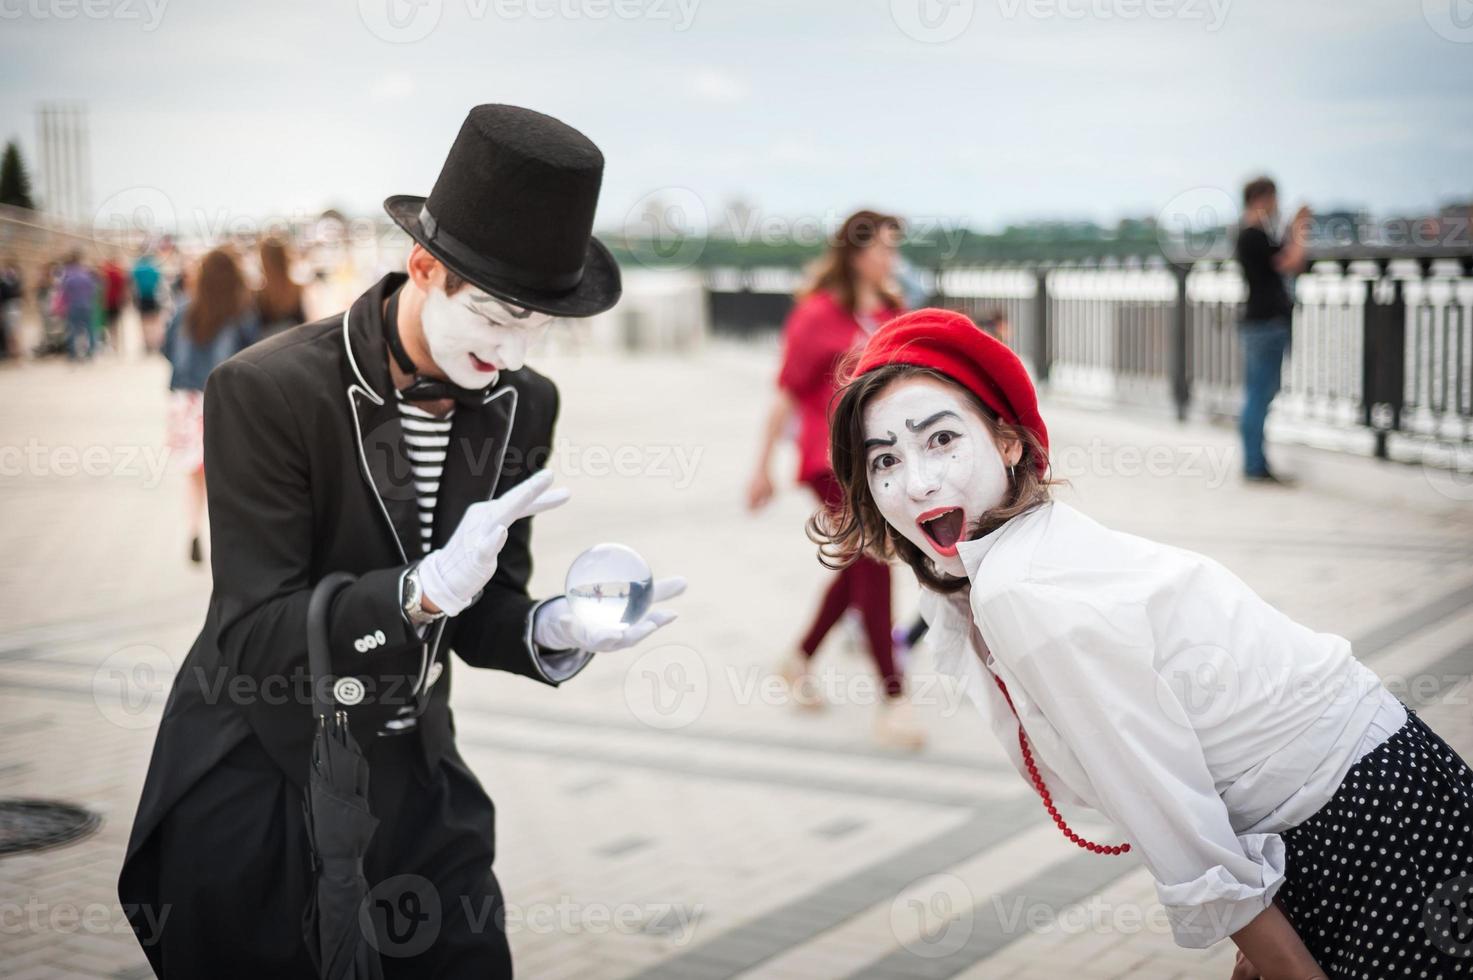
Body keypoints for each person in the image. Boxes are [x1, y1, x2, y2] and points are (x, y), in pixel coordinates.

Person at [118, 105, 686, 979]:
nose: (513, 351)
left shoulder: (522, 403)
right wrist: (416, 593)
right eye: (496, 316)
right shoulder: (266, 391)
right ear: (423, 268)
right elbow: (255, 631)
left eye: (538, 325)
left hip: (416, 772)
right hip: (262, 764)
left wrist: (551, 628)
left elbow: (484, 605)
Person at [815, 306, 1473, 980]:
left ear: (1007, 441)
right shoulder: (1029, 548)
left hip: (1364, 826)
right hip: (1380, 794)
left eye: (942, 439)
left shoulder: (1020, 587)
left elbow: (1174, 821)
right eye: (885, 459)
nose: (916, 480)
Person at [747, 209, 925, 749]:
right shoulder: (817, 314)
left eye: (896, 249)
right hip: (828, 462)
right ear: (855, 252)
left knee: (855, 567)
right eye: (884, 249)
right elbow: (784, 391)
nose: (891, 259)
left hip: (883, 461)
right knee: (873, 563)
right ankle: (893, 699)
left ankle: (797, 661)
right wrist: (761, 467)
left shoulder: (892, 310)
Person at [162, 247, 261, 564]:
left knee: (194, 476)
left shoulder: (183, 309)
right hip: (225, 402)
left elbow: (166, 349)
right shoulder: (242, 311)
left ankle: (193, 530)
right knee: (228, 474)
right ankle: (228, 539)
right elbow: (254, 356)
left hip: (186, 401)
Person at [1235, 177, 1309, 486]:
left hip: (1258, 322)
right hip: (1266, 323)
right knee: (1259, 395)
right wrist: (1300, 229)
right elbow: (1292, 262)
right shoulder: (1254, 235)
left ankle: (1255, 462)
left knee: (1257, 393)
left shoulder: (1247, 233)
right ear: (1262, 198)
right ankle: (1255, 465)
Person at [255, 235, 307, 338]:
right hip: (294, 344)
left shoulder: (259, 295)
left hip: (269, 348)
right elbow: (304, 324)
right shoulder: (297, 290)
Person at [57, 251, 99, 361]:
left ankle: (73, 353)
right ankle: (91, 352)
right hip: (87, 304)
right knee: (90, 330)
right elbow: (93, 291)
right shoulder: (87, 274)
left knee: (73, 330)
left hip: (73, 305)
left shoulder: (68, 275)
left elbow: (63, 292)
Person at [132, 249, 165, 352]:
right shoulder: (155, 269)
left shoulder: (137, 269)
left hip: (142, 299)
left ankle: (146, 343)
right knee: (155, 322)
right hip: (154, 298)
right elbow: (160, 285)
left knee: (144, 323)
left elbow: (134, 286)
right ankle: (154, 342)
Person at [99, 256, 129, 353]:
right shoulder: (119, 274)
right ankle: (118, 344)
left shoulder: (105, 274)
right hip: (117, 302)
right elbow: (124, 289)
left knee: (109, 324)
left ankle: (112, 344)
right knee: (117, 324)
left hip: (108, 302)